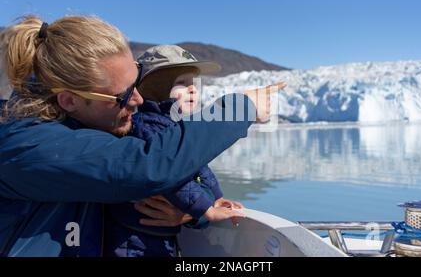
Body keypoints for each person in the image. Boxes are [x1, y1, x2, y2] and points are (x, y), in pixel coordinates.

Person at [0, 15, 286, 256]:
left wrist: (191, 213)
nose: (137, 100)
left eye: (135, 84)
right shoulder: (27, 145)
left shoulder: (87, 125)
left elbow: (132, 192)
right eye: (122, 95)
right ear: (69, 101)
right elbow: (146, 165)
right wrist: (239, 109)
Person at [106, 45, 243, 257]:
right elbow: (171, 175)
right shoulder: (146, 126)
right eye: (181, 83)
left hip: (155, 238)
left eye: (193, 83)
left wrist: (216, 197)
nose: (192, 90)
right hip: (132, 242)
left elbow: (197, 164)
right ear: (153, 88)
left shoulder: (174, 126)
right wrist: (207, 210)